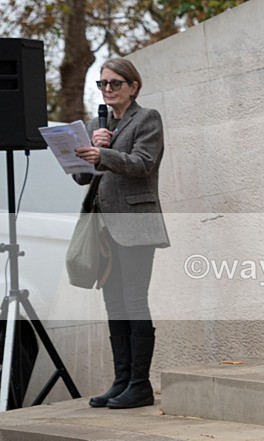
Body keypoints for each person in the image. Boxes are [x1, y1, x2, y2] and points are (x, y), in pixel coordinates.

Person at [74, 58, 170, 409]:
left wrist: (105, 152)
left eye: (115, 83)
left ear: (133, 86)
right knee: (113, 303)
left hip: (136, 222)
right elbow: (84, 177)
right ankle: (121, 380)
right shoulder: (95, 126)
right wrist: (83, 156)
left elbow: (143, 163)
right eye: (103, 84)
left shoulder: (147, 119)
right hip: (103, 225)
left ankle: (140, 385)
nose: (109, 89)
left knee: (134, 299)